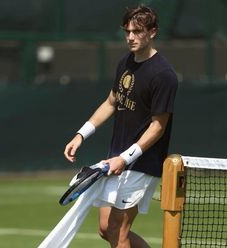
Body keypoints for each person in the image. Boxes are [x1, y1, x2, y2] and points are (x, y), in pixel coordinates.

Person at [64, 5, 178, 248]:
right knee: (106, 229)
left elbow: (158, 127)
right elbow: (110, 102)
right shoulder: (125, 62)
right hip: (115, 160)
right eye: (127, 31)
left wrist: (125, 159)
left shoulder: (164, 75)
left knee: (118, 230)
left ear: (153, 32)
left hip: (141, 163)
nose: (130, 37)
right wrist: (80, 135)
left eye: (137, 31)